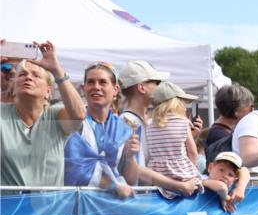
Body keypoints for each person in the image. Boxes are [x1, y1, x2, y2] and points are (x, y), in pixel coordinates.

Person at [0, 42, 86, 188]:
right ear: (14, 88)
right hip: (9, 208)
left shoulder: (55, 115)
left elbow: (78, 115)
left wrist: (57, 70)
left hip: (49, 208)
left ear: (48, 91)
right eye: (22, 74)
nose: (28, 77)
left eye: (36, 76)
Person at [62, 61, 140, 198]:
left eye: (103, 82)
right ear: (83, 88)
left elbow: (131, 180)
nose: (96, 87)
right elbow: (76, 171)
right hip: (77, 203)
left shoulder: (125, 128)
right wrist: (113, 185)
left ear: (115, 90)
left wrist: (130, 157)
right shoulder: (73, 123)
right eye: (91, 82)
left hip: (112, 207)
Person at [145, 82, 202, 190]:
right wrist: (192, 169)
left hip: (157, 177)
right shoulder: (183, 123)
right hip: (181, 175)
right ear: (176, 103)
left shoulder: (148, 124)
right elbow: (193, 152)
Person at [117, 60, 172, 167]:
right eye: (156, 83)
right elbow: (137, 171)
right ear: (142, 87)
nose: (159, 87)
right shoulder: (127, 123)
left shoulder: (138, 121)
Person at [204, 83, 255, 156]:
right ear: (236, 112)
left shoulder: (219, 132)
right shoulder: (220, 136)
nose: (252, 110)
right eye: (250, 107)